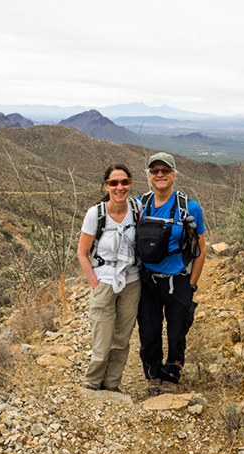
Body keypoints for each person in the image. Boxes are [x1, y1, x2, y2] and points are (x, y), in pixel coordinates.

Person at [137, 152, 206, 395]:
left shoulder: (189, 207)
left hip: (178, 281)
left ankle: (172, 373)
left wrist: (192, 283)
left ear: (174, 174)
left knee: (177, 332)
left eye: (165, 170)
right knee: (149, 332)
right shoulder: (140, 204)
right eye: (154, 171)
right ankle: (153, 373)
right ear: (148, 176)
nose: (160, 175)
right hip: (147, 281)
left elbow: (200, 248)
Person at [77, 164, 142, 392]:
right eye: (114, 183)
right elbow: (82, 252)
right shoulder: (96, 214)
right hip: (104, 281)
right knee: (102, 342)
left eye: (124, 182)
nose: (120, 187)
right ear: (106, 185)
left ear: (130, 183)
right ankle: (93, 384)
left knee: (122, 339)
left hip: (131, 280)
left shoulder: (137, 208)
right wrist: (94, 283)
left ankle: (112, 384)